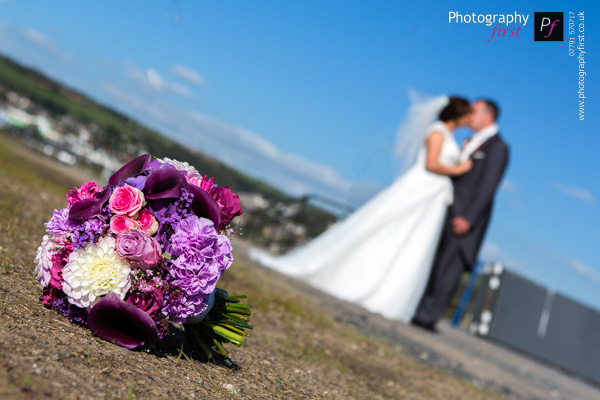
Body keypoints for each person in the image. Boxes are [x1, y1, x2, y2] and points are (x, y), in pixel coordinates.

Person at [250, 94, 473, 323]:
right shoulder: (436, 132)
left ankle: (390, 294)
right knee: (391, 232)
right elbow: (431, 164)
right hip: (422, 189)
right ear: (458, 114)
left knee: (411, 240)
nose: (469, 119)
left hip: (432, 196)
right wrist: (460, 169)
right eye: (467, 114)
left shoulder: (448, 136)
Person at [412, 99, 509, 331]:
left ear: (488, 116)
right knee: (437, 262)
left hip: (463, 217)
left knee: (450, 266)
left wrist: (468, 217)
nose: (468, 115)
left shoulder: (498, 148)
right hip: (446, 207)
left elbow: (487, 187)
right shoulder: (472, 142)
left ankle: (427, 316)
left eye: (473, 111)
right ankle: (419, 308)